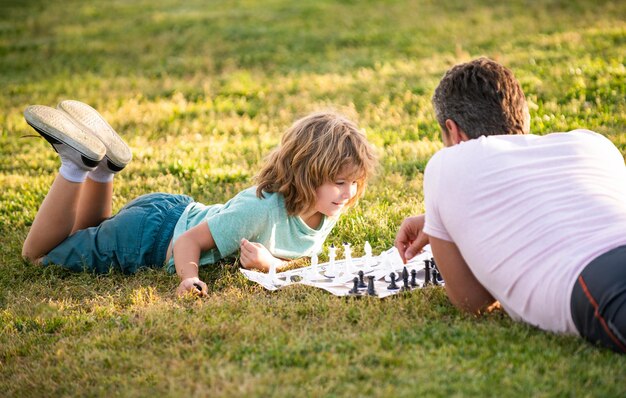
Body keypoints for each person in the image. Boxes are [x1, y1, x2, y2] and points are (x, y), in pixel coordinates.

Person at [21, 101, 377, 297]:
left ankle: (103, 169)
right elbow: (188, 241)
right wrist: (187, 278)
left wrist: (272, 263)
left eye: (354, 182)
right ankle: (76, 165)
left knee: (90, 232)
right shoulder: (260, 209)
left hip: (171, 214)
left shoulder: (327, 206)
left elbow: (295, 258)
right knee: (38, 257)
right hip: (151, 237)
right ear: (307, 174)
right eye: (339, 182)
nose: (348, 193)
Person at [394, 58, 626, 353]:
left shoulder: (448, 163)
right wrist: (443, 221)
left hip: (597, 282)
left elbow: (474, 302)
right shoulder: (593, 143)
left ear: (453, 131)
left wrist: (447, 233)